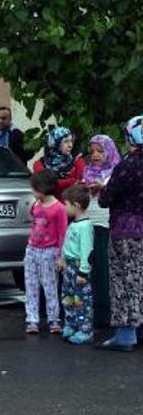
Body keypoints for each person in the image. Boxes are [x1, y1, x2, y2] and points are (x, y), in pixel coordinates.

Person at [97, 115, 143, 351]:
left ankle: (125, 335)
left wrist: (102, 190)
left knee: (123, 280)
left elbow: (106, 199)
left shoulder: (126, 165)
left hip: (125, 230)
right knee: (140, 278)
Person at [82, 135, 121, 326]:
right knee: (90, 268)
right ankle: (92, 313)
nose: (95, 155)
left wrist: (102, 187)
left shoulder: (116, 171)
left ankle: (107, 315)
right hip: (89, 223)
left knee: (105, 270)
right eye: (92, 152)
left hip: (106, 225)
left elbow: (117, 193)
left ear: (109, 152)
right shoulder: (87, 170)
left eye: (100, 151)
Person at [24, 170, 67, 334]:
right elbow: (33, 221)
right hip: (32, 249)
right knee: (31, 285)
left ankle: (54, 318)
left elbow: (63, 233)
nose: (32, 192)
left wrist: (60, 256)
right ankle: (32, 319)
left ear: (43, 188)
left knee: (50, 285)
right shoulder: (36, 204)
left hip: (50, 251)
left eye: (34, 189)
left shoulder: (59, 209)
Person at [59, 185, 94, 344]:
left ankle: (84, 329)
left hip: (79, 267)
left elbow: (86, 250)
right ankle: (71, 324)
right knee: (68, 297)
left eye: (66, 204)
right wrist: (62, 259)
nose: (64, 208)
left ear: (77, 205)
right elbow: (68, 245)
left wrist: (83, 272)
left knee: (82, 300)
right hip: (69, 267)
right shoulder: (73, 224)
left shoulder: (85, 226)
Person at [33, 127, 86, 200]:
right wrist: (71, 182)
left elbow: (81, 186)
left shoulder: (78, 162)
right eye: (66, 141)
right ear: (55, 143)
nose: (70, 145)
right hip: (49, 207)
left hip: (72, 207)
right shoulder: (40, 164)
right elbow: (45, 185)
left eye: (71, 141)